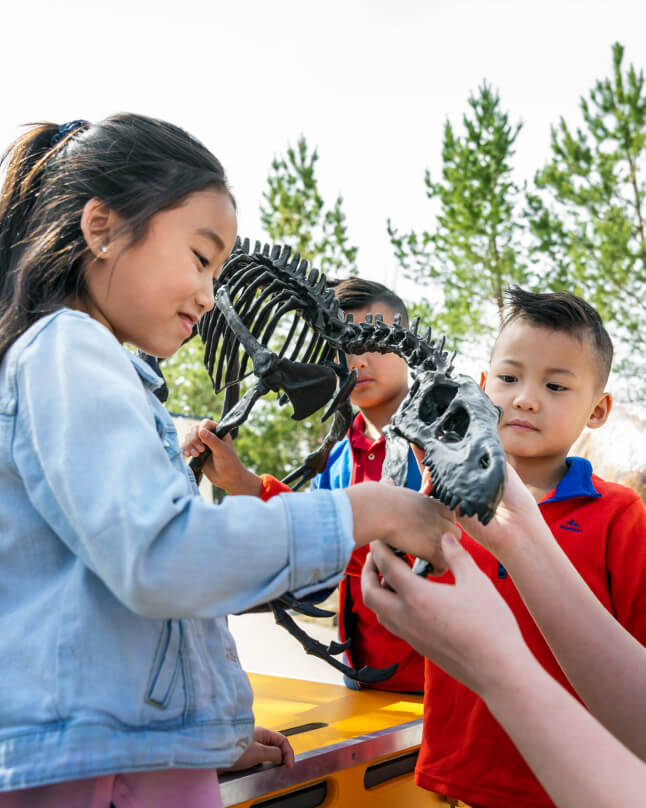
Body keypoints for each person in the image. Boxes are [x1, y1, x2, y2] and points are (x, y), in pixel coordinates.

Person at [0, 116, 458, 807]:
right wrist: (369, 510)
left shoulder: (90, 362)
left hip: (131, 753)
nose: (210, 295)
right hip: (95, 770)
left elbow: (133, 607)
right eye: (198, 256)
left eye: (217, 269)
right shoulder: (69, 350)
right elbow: (163, 558)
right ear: (102, 228)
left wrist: (199, 733)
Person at [411, 288, 646, 808]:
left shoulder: (619, 515)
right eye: (509, 378)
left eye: (556, 385)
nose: (526, 398)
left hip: (575, 786)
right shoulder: (437, 503)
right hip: (456, 775)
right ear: (480, 386)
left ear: (598, 409)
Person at [183, 278, 427, 692]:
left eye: (374, 341)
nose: (359, 360)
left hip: (443, 681)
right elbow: (322, 547)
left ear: (407, 344)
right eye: (345, 346)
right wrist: (239, 481)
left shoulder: (439, 446)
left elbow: (404, 550)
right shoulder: (340, 456)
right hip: (366, 679)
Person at [361, 464, 646, 808]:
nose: (525, 405)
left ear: (597, 411)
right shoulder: (447, 503)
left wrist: (497, 668)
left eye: (559, 402)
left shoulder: (620, 510)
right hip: (465, 773)